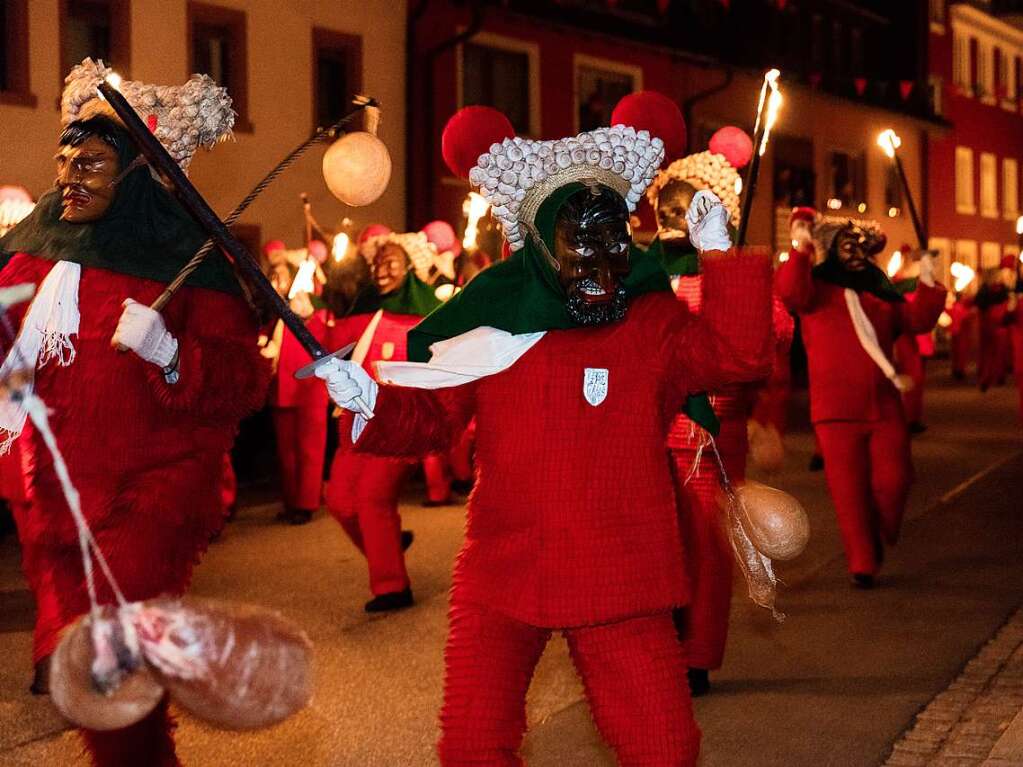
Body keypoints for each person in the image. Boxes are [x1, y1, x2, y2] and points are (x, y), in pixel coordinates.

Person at [318, 99, 773, 765]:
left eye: (615, 237)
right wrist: (367, 402)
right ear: (536, 242)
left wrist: (719, 257)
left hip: (619, 573)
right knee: (473, 744)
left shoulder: (648, 324)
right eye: (581, 241)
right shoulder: (492, 324)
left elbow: (736, 358)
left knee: (664, 749)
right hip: (505, 567)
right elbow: (433, 421)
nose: (607, 260)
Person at [0, 60, 268, 765]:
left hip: (154, 489)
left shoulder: (189, 260)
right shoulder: (31, 255)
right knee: (98, 688)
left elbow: (245, 381)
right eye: (64, 160)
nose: (69, 176)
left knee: (106, 657)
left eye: (90, 162)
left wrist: (172, 354)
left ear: (138, 175)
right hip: (53, 491)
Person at [645, 127, 792, 696]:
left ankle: (697, 655)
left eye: (684, 206)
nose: (669, 214)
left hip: (709, 436)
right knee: (651, 548)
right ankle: (657, 647)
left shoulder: (727, 271)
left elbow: (773, 340)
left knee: (706, 550)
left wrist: (731, 276)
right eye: (665, 204)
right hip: (645, 432)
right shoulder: (643, 274)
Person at [776, 217, 946, 588]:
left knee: (895, 479)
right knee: (849, 494)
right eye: (845, 243)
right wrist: (801, 247)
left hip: (884, 406)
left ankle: (882, 527)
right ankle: (863, 562)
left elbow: (916, 320)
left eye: (859, 244)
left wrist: (929, 281)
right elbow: (789, 291)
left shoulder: (879, 291)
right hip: (836, 412)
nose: (855, 250)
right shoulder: (816, 288)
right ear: (831, 249)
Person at [323, 229, 442, 612]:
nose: (381, 269)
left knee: (373, 499)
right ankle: (387, 541)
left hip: (398, 422)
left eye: (390, 261)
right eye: (377, 262)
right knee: (339, 500)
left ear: (409, 266)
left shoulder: (430, 316)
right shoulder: (366, 313)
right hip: (356, 420)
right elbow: (333, 344)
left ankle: (392, 586)